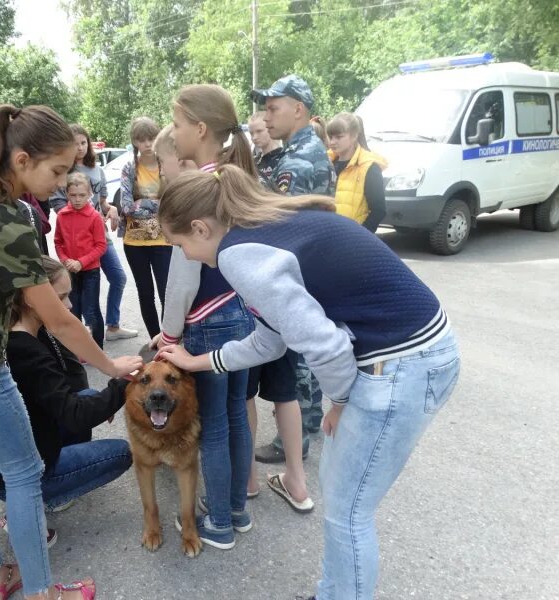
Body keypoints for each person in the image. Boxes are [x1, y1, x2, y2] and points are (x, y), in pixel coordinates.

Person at [157, 165, 460, 600]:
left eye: (180, 243)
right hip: (415, 354)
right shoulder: (261, 228)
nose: (184, 255)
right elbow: (271, 340)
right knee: (342, 506)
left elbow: (327, 347)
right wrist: (198, 360)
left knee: (348, 514)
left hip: (402, 365)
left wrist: (339, 400)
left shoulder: (237, 256)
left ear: (201, 227)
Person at [0, 103, 141, 600]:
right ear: (20, 160)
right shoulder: (5, 218)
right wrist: (111, 365)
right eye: (56, 170)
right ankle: (42, 591)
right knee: (24, 474)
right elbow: (58, 317)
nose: (60, 183)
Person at [151, 84, 256, 550]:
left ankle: (216, 524)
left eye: (175, 125)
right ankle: (236, 508)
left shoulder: (196, 189)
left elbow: (182, 280)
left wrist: (169, 334)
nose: (173, 134)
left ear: (198, 128)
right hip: (242, 314)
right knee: (235, 414)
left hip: (206, 322)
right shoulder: (235, 178)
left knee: (213, 424)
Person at [0, 256, 132, 532]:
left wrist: (101, 402)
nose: (69, 306)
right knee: (124, 453)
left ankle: (48, 488)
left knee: (89, 394)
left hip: (25, 448)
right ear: (32, 297)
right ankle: (39, 501)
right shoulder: (25, 351)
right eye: (62, 297)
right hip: (27, 472)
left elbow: (71, 384)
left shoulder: (28, 330)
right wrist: (122, 385)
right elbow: (75, 415)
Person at [250, 74, 334, 463]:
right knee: (303, 355)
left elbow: (278, 222)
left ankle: (294, 442)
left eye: (273, 108)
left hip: (299, 271)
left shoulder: (299, 159)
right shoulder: (298, 151)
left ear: (298, 109)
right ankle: (307, 426)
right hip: (309, 266)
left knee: (300, 356)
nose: (266, 116)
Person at [246, 111, 313, 510]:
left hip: (251, 307)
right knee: (284, 394)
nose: (263, 130)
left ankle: (250, 481)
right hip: (281, 302)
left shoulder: (272, 170)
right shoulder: (279, 170)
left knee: (246, 395)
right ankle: (297, 483)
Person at [50, 124, 138, 341]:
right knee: (78, 301)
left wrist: (111, 209)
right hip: (78, 241)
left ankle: (113, 327)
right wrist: (86, 216)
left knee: (118, 278)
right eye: (74, 144)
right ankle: (83, 339)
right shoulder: (62, 171)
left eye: (83, 142)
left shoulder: (96, 169)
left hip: (99, 236)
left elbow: (102, 201)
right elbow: (61, 209)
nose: (80, 148)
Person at [119, 117, 171, 340]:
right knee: (145, 293)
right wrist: (156, 205)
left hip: (163, 240)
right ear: (135, 142)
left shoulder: (166, 164)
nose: (148, 144)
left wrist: (144, 204)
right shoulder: (130, 167)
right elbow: (126, 206)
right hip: (135, 241)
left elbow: (174, 202)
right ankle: (153, 339)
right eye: (142, 140)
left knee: (166, 293)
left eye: (151, 138)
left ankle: (168, 339)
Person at [54, 172, 107, 349]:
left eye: (82, 195)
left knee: (91, 311)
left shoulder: (94, 217)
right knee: (73, 310)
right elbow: (58, 241)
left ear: (90, 194)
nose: (77, 199)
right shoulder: (62, 215)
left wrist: (81, 262)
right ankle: (78, 349)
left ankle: (98, 347)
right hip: (70, 271)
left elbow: (101, 246)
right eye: (73, 195)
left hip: (90, 271)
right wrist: (65, 260)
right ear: (67, 194)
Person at [326, 112, 388, 232]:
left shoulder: (369, 167)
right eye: (331, 136)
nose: (332, 142)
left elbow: (379, 211)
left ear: (354, 136)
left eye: (339, 137)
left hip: (353, 239)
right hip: (328, 236)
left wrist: (360, 236)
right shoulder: (326, 163)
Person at [248, 112, 283, 189]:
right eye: (251, 133)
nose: (254, 137)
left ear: (271, 128)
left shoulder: (283, 160)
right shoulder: (253, 161)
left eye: (259, 131)